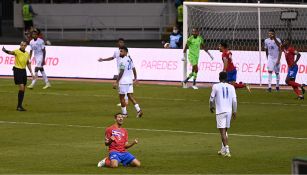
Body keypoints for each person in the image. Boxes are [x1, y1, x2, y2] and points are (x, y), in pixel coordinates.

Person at [209, 72, 237, 158]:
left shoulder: (215, 86)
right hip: (229, 111)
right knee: (225, 131)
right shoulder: (231, 87)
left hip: (220, 112)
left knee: (222, 132)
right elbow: (234, 101)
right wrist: (234, 111)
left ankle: (227, 150)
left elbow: (211, 99)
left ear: (219, 78)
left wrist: (211, 107)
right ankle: (222, 149)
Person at [2, 41, 34, 111]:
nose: (22, 46)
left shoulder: (27, 54)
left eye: (24, 45)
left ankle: (19, 106)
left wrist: (31, 72)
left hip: (23, 71)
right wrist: (5, 50)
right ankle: (19, 106)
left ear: (26, 46)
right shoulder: (17, 51)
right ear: (20, 45)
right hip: (17, 70)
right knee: (22, 87)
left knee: (23, 89)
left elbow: (28, 63)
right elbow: (11, 52)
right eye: (21, 45)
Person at [113, 47, 143, 118]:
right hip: (130, 81)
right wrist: (135, 78)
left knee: (121, 98)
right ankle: (139, 110)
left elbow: (122, 72)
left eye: (122, 51)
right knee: (130, 96)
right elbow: (134, 68)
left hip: (123, 82)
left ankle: (124, 114)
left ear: (126, 52)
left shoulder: (122, 61)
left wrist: (116, 82)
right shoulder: (129, 59)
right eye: (120, 51)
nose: (120, 53)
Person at [98, 38, 129, 107]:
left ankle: (124, 101)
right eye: (120, 42)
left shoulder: (126, 51)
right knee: (123, 86)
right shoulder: (116, 51)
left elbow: (128, 60)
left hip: (124, 70)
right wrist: (103, 59)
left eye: (122, 42)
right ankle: (125, 100)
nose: (121, 44)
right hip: (120, 69)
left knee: (122, 85)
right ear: (117, 43)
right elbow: (112, 58)